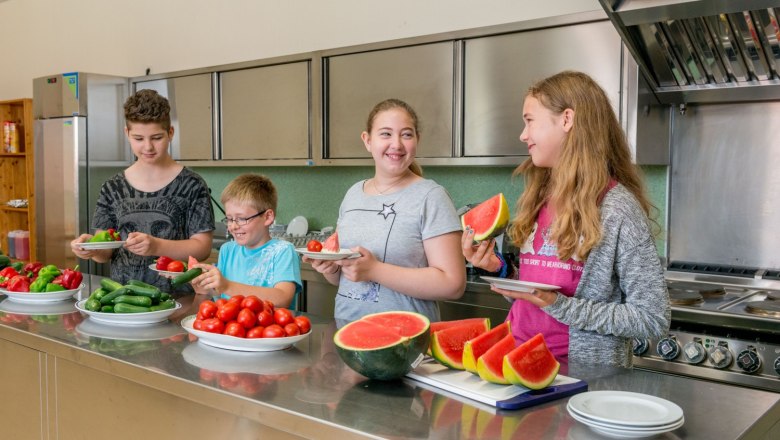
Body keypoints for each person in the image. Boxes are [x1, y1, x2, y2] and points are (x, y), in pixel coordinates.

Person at [462, 71, 669, 368]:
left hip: (577, 375)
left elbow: (652, 318)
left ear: (567, 119)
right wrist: (501, 270)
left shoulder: (617, 208)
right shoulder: (539, 194)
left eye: (530, 120)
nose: (523, 134)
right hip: (517, 360)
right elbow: (538, 292)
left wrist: (560, 306)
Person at [304, 98, 466, 323]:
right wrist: (330, 268)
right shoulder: (353, 194)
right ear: (367, 140)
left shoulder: (431, 196)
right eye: (386, 134)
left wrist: (374, 270)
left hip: (404, 341)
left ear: (417, 140)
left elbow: (453, 284)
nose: (397, 144)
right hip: (348, 333)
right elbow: (344, 278)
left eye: (407, 134)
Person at [71, 89, 214, 290]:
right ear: (127, 133)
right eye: (138, 138)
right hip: (123, 299)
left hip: (179, 299)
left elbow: (202, 248)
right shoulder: (112, 187)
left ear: (170, 133)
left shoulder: (192, 184)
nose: (147, 147)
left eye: (156, 137)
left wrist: (157, 246)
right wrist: (92, 248)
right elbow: (105, 255)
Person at [190, 173, 301, 308]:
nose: (233, 226)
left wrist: (227, 286)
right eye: (230, 219)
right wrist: (204, 286)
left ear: (267, 217)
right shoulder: (228, 250)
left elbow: (283, 297)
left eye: (242, 219)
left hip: (269, 328)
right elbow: (218, 297)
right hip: (232, 328)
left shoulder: (282, 251)